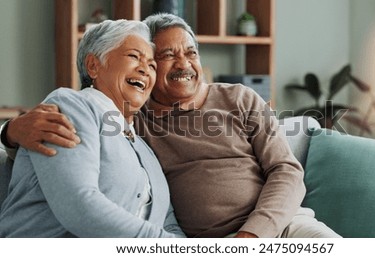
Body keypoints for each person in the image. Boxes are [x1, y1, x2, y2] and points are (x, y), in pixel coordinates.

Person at [1, 13, 339, 238]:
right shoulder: (127, 119)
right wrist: (11, 131)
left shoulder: (238, 98)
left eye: (191, 53)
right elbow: (62, 159)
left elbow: (287, 171)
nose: (184, 64)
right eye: (162, 57)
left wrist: (250, 238)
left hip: (279, 227)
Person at [0, 19, 185, 238]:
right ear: (93, 66)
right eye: (134, 56)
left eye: (152, 65)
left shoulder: (145, 150)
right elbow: (79, 206)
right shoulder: (71, 106)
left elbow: (168, 224)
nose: (145, 69)